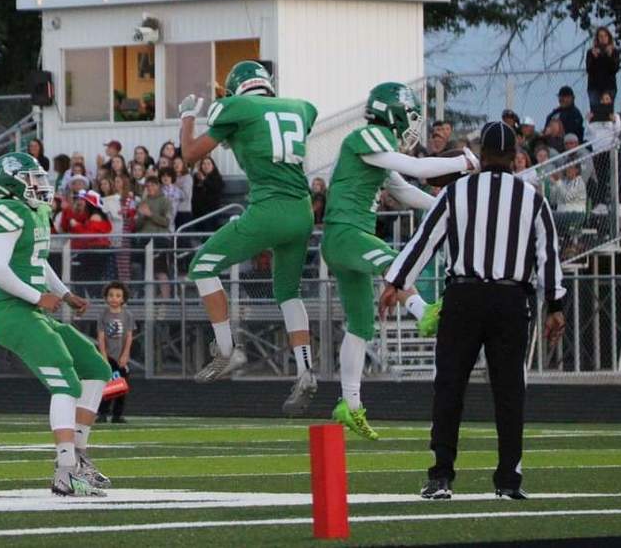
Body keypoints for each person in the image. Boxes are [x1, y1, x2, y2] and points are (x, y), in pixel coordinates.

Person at [380, 120, 566, 501]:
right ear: (515, 157)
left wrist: (395, 281)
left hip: (463, 297)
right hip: (511, 300)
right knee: (509, 391)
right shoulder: (532, 197)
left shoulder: (457, 192)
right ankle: (509, 480)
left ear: (481, 156)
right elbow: (549, 255)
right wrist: (555, 305)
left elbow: (424, 241)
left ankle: (441, 476)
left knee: (449, 386)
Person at [322, 82, 475, 439]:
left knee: (361, 326)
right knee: (396, 260)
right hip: (346, 234)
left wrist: (446, 206)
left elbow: (405, 189)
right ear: (394, 112)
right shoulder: (370, 135)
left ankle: (350, 404)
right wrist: (462, 161)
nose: (412, 126)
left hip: (346, 240)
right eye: (410, 116)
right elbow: (415, 168)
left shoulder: (375, 148)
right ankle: (424, 313)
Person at [178, 60, 320, 414]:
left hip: (268, 210)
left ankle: (226, 350)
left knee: (202, 265)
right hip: (303, 211)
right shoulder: (300, 107)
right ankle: (305, 372)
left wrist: (186, 119)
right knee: (288, 292)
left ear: (235, 89)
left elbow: (191, 154)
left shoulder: (235, 107)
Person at [0, 152, 112, 496]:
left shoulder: (33, 212)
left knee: (96, 367)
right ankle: (65, 470)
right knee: (66, 381)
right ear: (11, 184)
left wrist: (65, 293)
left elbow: (37, 261)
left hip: (32, 310)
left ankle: (80, 459)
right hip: (12, 311)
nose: (39, 185)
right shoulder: (5, 211)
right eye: (31, 179)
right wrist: (39, 298)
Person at [96, 282, 134, 424]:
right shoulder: (103, 315)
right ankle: (103, 413)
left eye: (118, 296)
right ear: (106, 297)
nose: (114, 298)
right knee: (109, 385)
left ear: (123, 299)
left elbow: (129, 336)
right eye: (111, 295)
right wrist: (104, 355)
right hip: (109, 357)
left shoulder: (127, 315)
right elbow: (101, 336)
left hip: (121, 358)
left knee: (122, 386)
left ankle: (117, 415)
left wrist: (125, 354)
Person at [67, 190, 112, 298]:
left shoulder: (95, 217)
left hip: (95, 252)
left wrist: (76, 225)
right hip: (94, 252)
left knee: (88, 279)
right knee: (88, 279)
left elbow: (87, 236)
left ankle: (90, 302)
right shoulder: (93, 216)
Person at [585, 26, 621, 107]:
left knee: (607, 111)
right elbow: (589, 70)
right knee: (595, 112)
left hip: (609, 87)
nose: (603, 38)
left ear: (609, 37)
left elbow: (615, 69)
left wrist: (610, 56)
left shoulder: (614, 52)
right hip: (594, 87)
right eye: (600, 36)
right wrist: (594, 58)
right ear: (597, 38)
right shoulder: (591, 52)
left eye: (605, 36)